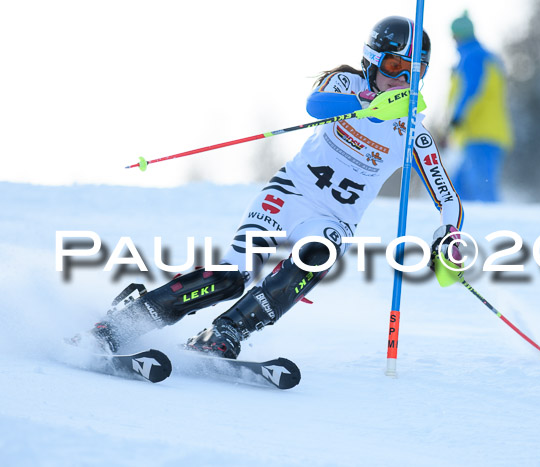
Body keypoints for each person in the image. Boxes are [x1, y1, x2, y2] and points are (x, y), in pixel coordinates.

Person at [80, 16, 465, 359]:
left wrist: (449, 235)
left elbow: (446, 194)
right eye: (395, 65)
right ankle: (124, 323)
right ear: (371, 61)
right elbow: (316, 105)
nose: (401, 79)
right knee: (232, 276)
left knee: (320, 252)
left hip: (331, 219)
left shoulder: (412, 132)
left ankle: (226, 331)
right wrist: (366, 102)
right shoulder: (347, 83)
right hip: (286, 196)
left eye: (414, 72)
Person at [445, 10, 514, 202]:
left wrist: (456, 118)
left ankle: (495, 228)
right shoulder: (485, 57)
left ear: (458, 36)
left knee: (482, 188)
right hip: (481, 133)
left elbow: (470, 90)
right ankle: (461, 228)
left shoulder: (473, 57)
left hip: (482, 133)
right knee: (458, 189)